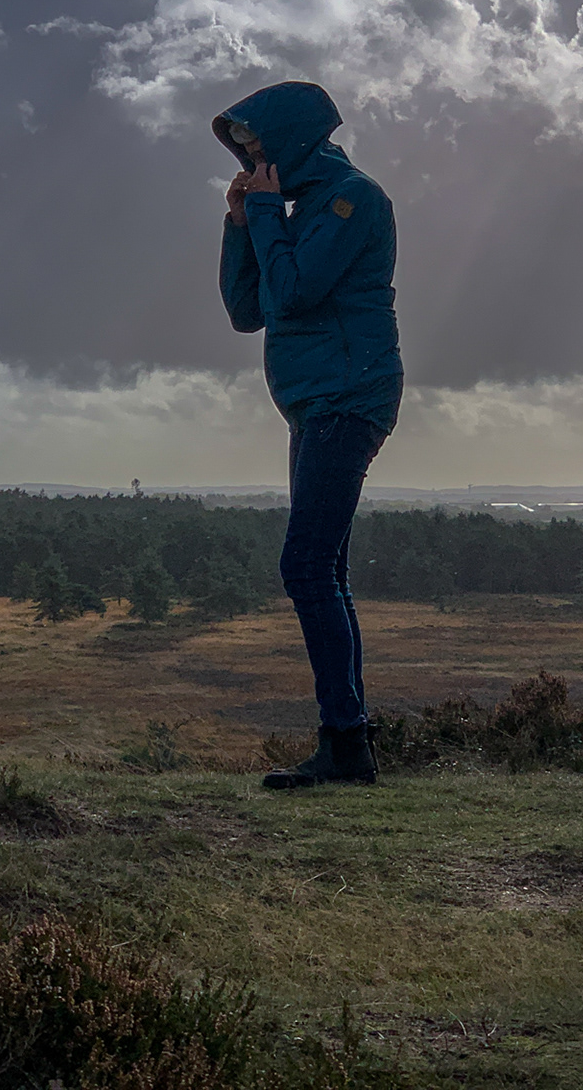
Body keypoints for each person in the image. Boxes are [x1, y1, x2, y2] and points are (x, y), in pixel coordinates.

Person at [216, 81, 402, 791]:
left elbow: (295, 293)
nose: (253, 159)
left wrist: (265, 211)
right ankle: (347, 746)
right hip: (315, 402)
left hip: (346, 397)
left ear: (293, 140)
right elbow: (246, 310)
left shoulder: (351, 201)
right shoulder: (296, 209)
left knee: (305, 567)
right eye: (245, 152)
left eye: (259, 146)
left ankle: (346, 742)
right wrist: (240, 224)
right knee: (326, 572)